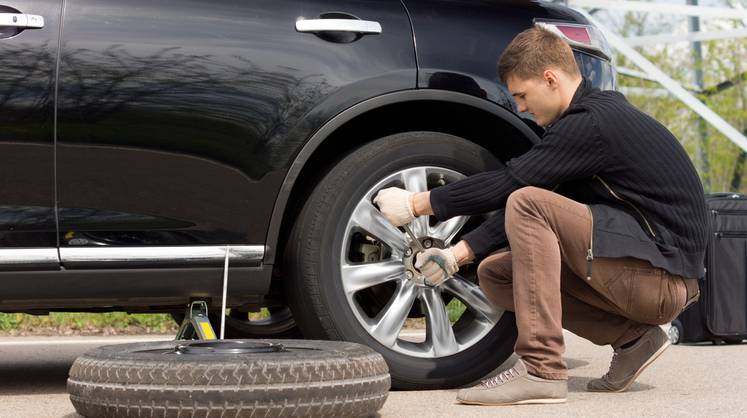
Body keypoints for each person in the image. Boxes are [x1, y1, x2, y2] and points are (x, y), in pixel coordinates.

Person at [373, 26, 706, 406]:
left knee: (526, 200)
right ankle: (633, 340)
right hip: (649, 271)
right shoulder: (589, 124)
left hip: (662, 280)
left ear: (550, 79)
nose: (521, 108)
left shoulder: (590, 125)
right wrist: (457, 255)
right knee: (496, 275)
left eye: (521, 95)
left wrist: (419, 203)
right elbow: (547, 198)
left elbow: (512, 186)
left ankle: (542, 369)